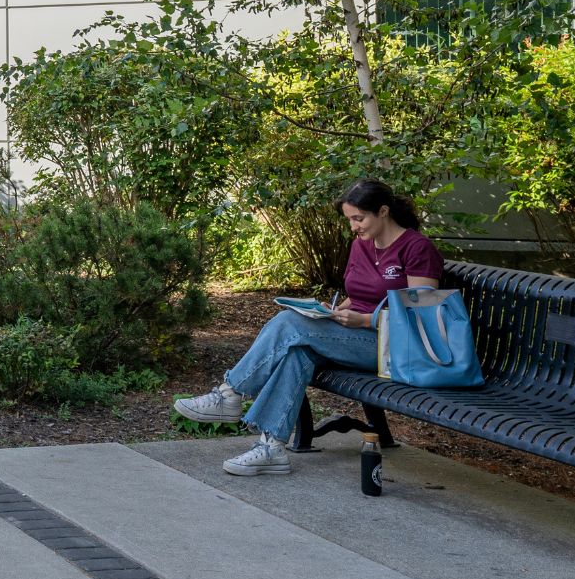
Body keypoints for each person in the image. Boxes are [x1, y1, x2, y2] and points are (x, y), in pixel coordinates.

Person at [174, 179, 444, 477]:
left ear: (383, 211)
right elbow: (363, 293)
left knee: (290, 324)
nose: (354, 227)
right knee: (297, 352)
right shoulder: (362, 245)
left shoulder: (417, 248)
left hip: (396, 347)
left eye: (359, 218)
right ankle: (272, 447)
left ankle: (229, 394)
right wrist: (339, 309)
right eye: (350, 220)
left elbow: (422, 316)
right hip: (357, 336)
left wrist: (366, 320)